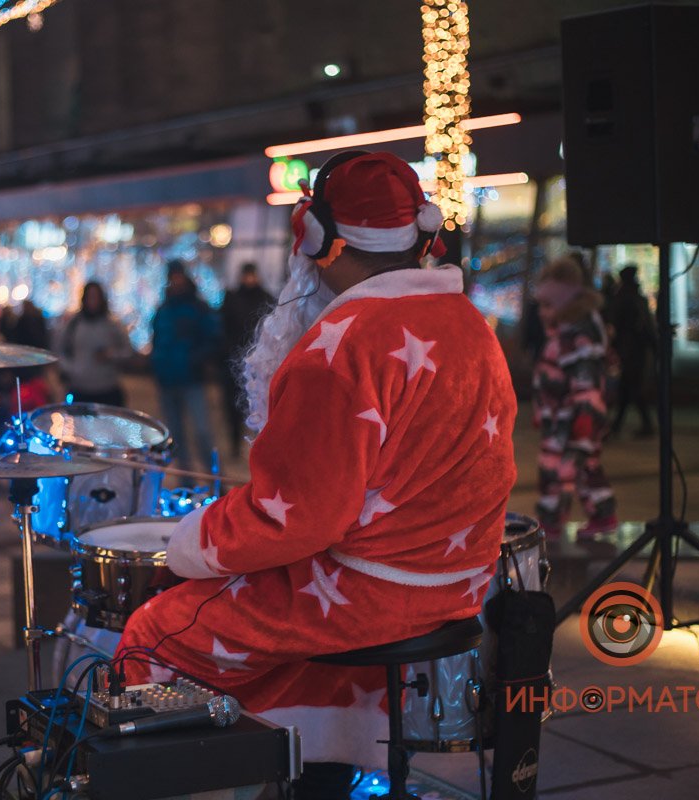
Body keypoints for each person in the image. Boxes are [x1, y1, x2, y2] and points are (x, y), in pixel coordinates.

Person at [116, 152, 517, 798]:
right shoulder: (475, 328)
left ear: (315, 240)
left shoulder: (341, 349)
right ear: (423, 234)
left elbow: (295, 517)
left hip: (373, 596)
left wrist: (191, 544)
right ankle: (326, 774)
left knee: (155, 631)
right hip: (461, 585)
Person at [533, 256, 618, 539]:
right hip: (566, 415)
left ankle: (551, 520)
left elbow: (586, 382)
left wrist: (582, 419)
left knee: (557, 467)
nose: (543, 313)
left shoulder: (578, 336)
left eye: (549, 305)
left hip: (574, 417)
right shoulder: (567, 330)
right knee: (584, 466)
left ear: (566, 304)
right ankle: (602, 515)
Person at [150, 261, 219, 471]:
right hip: (167, 380)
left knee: (202, 432)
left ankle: (214, 480)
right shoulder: (163, 309)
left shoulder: (198, 307)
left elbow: (213, 338)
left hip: (191, 379)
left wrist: (195, 360)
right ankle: (187, 481)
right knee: (176, 436)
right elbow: (158, 340)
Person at [220, 262, 274, 451]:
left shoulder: (266, 298)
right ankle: (236, 444)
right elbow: (224, 327)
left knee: (260, 405)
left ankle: (259, 444)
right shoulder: (232, 298)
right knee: (234, 407)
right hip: (236, 360)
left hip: (261, 362)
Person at [54, 282, 133, 407]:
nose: (93, 301)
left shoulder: (112, 324)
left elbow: (127, 351)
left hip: (107, 388)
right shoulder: (73, 324)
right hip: (80, 388)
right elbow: (59, 350)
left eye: (96, 297)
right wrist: (71, 369)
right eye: (90, 297)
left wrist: (111, 354)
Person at [608, 265, 656, 437]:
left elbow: (616, 323)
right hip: (636, 350)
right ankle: (618, 426)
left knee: (630, 388)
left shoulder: (623, 298)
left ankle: (619, 426)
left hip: (628, 350)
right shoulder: (637, 298)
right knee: (629, 388)